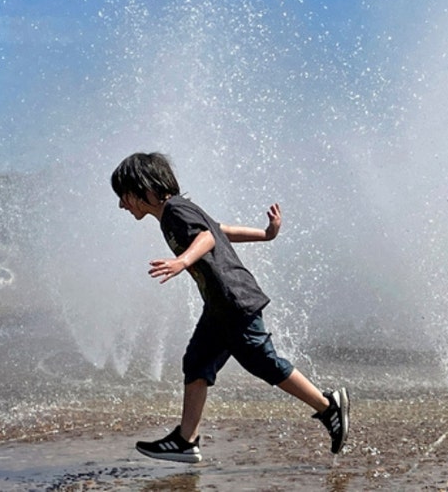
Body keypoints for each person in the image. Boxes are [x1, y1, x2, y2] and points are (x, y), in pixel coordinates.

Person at [111, 152, 349, 463]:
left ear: (144, 187)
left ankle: (328, 406)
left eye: (124, 196)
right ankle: (186, 440)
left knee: (263, 361)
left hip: (234, 301)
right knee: (196, 362)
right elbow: (219, 229)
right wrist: (265, 235)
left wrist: (182, 261)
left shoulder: (174, 211)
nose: (121, 205)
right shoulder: (179, 211)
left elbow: (208, 237)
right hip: (219, 307)